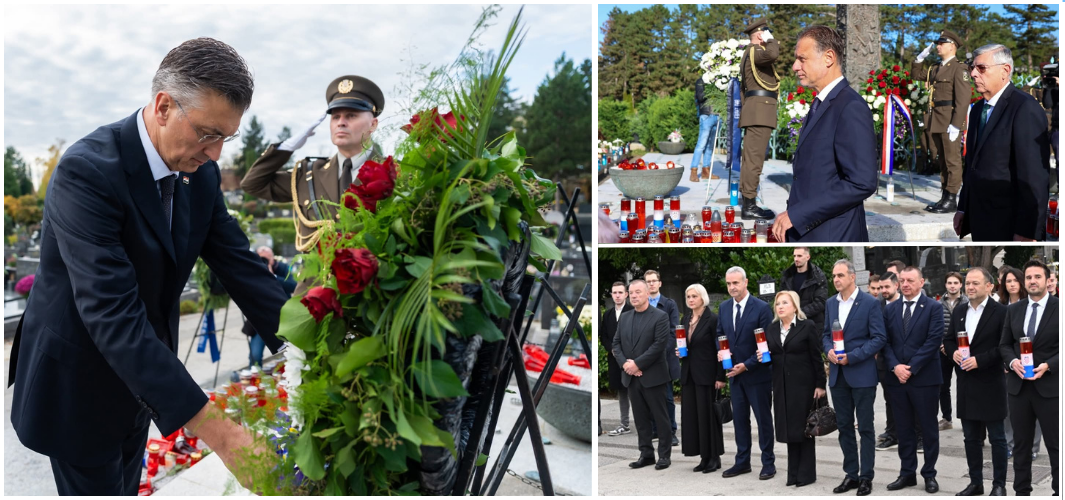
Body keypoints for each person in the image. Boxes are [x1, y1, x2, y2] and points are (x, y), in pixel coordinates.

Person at [7, 38, 287, 495]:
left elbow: (241, 266)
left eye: (227, 137)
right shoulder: (86, 172)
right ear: (163, 107)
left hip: (141, 382)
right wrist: (224, 436)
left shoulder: (200, 174)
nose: (216, 153)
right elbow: (111, 311)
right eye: (208, 133)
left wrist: (312, 347)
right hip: (78, 386)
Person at [241, 75, 387, 269]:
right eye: (335, 116)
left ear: (373, 124)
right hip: (316, 285)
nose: (341, 122)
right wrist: (286, 148)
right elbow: (252, 184)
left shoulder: (395, 173)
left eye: (351, 115)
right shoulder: (309, 174)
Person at [773, 25, 877, 242]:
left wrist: (798, 214)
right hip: (811, 230)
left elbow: (861, 182)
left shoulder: (850, 107)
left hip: (835, 234)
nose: (795, 66)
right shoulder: (821, 103)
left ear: (828, 58)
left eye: (802, 59)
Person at [955, 44, 1050, 241]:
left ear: (1005, 71)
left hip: (1009, 223)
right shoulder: (978, 109)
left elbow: (1034, 177)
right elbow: (972, 164)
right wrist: (963, 207)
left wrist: (1027, 231)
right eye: (972, 68)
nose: (973, 74)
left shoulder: (1024, 108)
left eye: (981, 68)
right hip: (981, 218)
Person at [822, 259, 886, 496]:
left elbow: (879, 338)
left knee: (866, 428)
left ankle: (866, 477)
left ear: (852, 276)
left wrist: (853, 357)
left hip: (861, 375)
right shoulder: (831, 303)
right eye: (834, 276)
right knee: (844, 427)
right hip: (838, 375)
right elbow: (825, 334)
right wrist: (828, 350)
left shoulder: (870, 303)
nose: (836, 279)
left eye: (840, 275)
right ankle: (851, 474)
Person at [943, 267, 1008, 496]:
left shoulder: (1001, 312)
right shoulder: (960, 311)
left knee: (997, 439)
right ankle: (975, 483)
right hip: (966, 384)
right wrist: (953, 353)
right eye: (968, 283)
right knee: (970, 438)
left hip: (991, 383)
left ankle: (999, 484)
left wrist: (980, 360)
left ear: (989, 286)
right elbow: (948, 339)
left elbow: (1004, 346)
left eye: (975, 283)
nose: (969, 287)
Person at [999, 260, 1059, 496]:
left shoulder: (1059, 307)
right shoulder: (1014, 310)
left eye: (1037, 277)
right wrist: (1012, 362)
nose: (1032, 281)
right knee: (1021, 445)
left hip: (1050, 388)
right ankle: (1021, 491)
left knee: (1056, 445)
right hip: (1019, 388)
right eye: (1029, 277)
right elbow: (1005, 344)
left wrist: (1049, 365)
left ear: (1048, 280)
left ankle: (1059, 491)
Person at [883, 267, 945, 493]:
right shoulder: (890, 309)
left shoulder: (933, 307)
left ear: (921, 282)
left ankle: (929, 474)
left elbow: (933, 340)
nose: (906, 284)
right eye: (902, 280)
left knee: (928, 429)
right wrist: (895, 366)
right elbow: (885, 341)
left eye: (910, 280)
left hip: (924, 378)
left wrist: (911, 368)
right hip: (897, 379)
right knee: (903, 428)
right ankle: (907, 473)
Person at [715, 266, 776, 480]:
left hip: (757, 375)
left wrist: (747, 364)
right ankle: (742, 462)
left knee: (763, 420)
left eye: (736, 283)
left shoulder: (761, 308)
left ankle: (768, 463)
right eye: (729, 283)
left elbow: (766, 343)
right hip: (735, 375)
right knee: (740, 421)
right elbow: (720, 335)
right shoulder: (724, 308)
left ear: (746, 282)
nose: (732, 287)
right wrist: (722, 353)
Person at [763, 290, 826, 487]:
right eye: (778, 303)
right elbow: (771, 357)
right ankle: (793, 474)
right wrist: (762, 357)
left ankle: (806, 475)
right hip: (781, 385)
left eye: (785, 303)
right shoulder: (771, 329)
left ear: (795, 306)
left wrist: (820, 384)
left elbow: (816, 357)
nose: (780, 307)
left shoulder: (807, 326)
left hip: (804, 385)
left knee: (804, 429)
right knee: (790, 429)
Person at [612, 280, 673, 471]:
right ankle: (646, 454)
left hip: (653, 376)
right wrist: (626, 365)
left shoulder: (660, 316)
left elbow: (659, 345)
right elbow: (616, 344)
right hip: (631, 377)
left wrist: (637, 364)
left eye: (638, 292)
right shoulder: (625, 317)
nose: (634, 295)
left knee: (660, 418)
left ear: (647, 293)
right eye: (631, 292)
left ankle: (664, 455)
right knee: (640, 419)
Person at [910, 31, 971, 214]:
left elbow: (963, 99)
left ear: (952, 46)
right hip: (936, 119)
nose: (937, 46)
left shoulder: (959, 68)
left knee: (952, 161)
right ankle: (945, 196)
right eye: (937, 44)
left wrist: (956, 124)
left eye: (941, 44)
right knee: (942, 160)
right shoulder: (935, 68)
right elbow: (916, 75)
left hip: (950, 120)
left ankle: (951, 198)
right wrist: (920, 58)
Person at [677, 284, 725, 473]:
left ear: (702, 297)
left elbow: (721, 348)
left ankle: (714, 457)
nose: (690, 299)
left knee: (708, 418)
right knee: (694, 417)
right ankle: (704, 457)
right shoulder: (685, 318)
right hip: (689, 374)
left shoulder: (712, 319)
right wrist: (680, 352)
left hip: (707, 375)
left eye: (694, 296)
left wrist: (720, 376)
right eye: (688, 296)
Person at [737, 18, 778, 220]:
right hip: (760, 112)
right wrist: (771, 40)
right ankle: (750, 207)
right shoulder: (755, 51)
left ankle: (749, 203)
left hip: (757, 111)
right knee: (754, 161)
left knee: (751, 160)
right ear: (761, 35)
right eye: (768, 33)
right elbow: (773, 54)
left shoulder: (751, 54)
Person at [244, 246, 297, 367]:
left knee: (292, 352)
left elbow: (293, 286)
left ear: (273, 258)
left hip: (284, 318)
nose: (265, 262)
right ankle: (255, 374)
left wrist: (273, 277)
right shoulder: (254, 271)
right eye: (262, 259)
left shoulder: (282, 268)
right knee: (255, 355)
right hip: (261, 318)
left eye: (267, 258)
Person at [644, 269, 680, 446]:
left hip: (664, 358)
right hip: (646, 359)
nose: (651, 284)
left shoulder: (669, 304)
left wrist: (658, 351)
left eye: (654, 281)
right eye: (648, 281)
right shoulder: (641, 304)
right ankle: (655, 429)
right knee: (650, 397)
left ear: (660, 283)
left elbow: (674, 331)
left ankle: (671, 431)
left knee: (667, 397)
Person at [603, 281, 635, 436]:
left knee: (636, 390)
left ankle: (645, 423)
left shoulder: (632, 311)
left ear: (626, 294)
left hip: (630, 358)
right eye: (614, 292)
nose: (617, 295)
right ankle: (624, 423)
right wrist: (613, 350)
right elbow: (604, 336)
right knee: (622, 391)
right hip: (614, 358)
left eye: (620, 292)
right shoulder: (607, 314)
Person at [936, 272, 967, 431]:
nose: (952, 286)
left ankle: (966, 417)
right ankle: (946, 418)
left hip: (962, 350)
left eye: (955, 283)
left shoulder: (967, 302)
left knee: (964, 385)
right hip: (942, 350)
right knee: (943, 386)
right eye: (949, 283)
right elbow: (935, 327)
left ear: (961, 285)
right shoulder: (938, 304)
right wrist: (942, 345)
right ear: (945, 285)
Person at [875, 270, 902, 452]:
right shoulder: (877, 305)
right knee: (889, 399)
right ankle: (892, 434)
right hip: (884, 361)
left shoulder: (905, 303)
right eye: (881, 287)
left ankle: (917, 435)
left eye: (886, 287)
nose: (883, 290)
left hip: (904, 361)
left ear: (896, 285)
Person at [779, 246, 829, 333]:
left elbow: (820, 302)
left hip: (813, 325)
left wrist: (799, 313)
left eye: (799, 256)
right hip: (791, 325)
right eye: (794, 256)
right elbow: (782, 298)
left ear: (808, 257)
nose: (796, 259)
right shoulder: (788, 276)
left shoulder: (818, 276)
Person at [691, 76, 720, 182]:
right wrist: (713, 90)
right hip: (706, 115)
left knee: (710, 146)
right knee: (701, 145)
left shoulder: (720, 80)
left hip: (718, 116)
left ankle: (706, 171)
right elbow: (700, 97)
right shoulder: (701, 80)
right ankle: (693, 171)